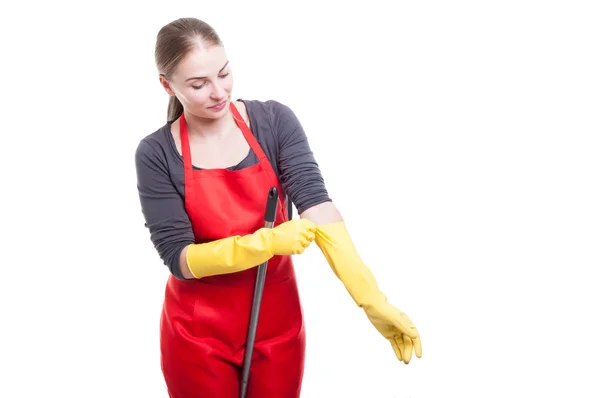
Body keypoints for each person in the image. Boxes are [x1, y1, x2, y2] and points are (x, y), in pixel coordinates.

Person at [135, 17, 422, 398]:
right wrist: (264, 243)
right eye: (199, 84)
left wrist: (371, 299)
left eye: (223, 74)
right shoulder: (156, 153)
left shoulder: (273, 122)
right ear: (167, 85)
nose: (219, 92)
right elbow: (180, 259)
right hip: (197, 333)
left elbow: (317, 206)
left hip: (277, 326)